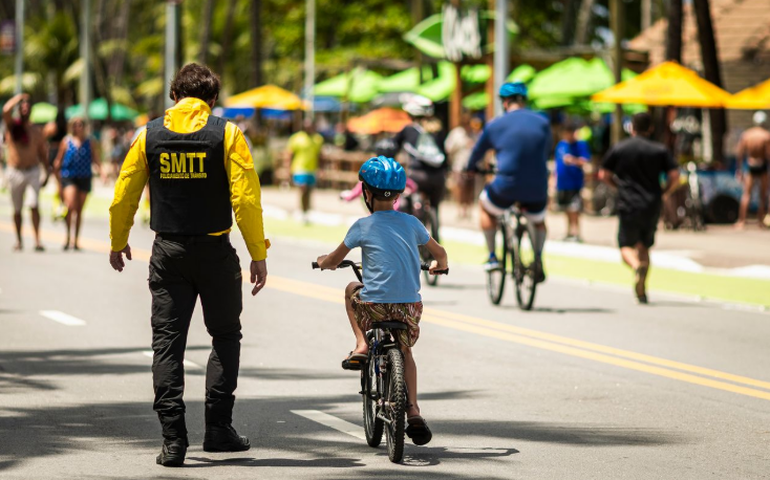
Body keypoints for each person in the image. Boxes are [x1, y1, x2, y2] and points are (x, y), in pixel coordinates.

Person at [108, 63, 269, 467]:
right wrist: (257, 253)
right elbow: (246, 199)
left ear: (174, 96)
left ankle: (173, 441)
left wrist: (118, 240)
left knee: (168, 344)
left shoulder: (148, 135)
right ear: (212, 99)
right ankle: (218, 429)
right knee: (225, 336)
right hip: (216, 252)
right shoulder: (227, 134)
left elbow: (125, 192)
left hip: (168, 254)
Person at [316, 156, 448, 447]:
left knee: (352, 288)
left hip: (374, 308)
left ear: (366, 192)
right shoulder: (412, 223)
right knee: (406, 352)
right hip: (408, 309)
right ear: (398, 194)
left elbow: (335, 259)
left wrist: (324, 261)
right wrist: (439, 265)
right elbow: (440, 253)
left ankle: (361, 344)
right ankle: (413, 410)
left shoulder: (362, 226)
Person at [465, 82, 551, 281]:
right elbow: (546, 150)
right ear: (524, 101)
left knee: (485, 205)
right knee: (538, 220)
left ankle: (492, 256)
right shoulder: (543, 122)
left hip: (506, 187)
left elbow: (477, 153)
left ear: (505, 102)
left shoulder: (495, 125)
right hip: (537, 187)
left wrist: (471, 169)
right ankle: (538, 257)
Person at [599, 112, 679, 304]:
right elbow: (675, 175)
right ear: (650, 128)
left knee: (626, 246)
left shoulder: (620, 147)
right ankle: (642, 291)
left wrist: (618, 186)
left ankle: (636, 267)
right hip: (652, 202)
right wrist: (665, 191)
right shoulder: (659, 149)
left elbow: (603, 174)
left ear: (631, 127)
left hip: (628, 202)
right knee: (644, 246)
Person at [2, 93, 50, 252]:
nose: (25, 110)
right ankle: (19, 240)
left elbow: (42, 152)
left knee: (34, 204)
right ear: (18, 110)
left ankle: (37, 240)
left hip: (32, 171)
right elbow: (5, 110)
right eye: (22, 108)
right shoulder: (12, 126)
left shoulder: (36, 130)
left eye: (27, 108)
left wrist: (47, 171)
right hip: (14, 171)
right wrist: (18, 98)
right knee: (17, 209)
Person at [393, 96, 448, 225]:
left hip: (417, 174)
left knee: (406, 197)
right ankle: (434, 226)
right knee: (434, 205)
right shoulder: (438, 129)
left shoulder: (409, 130)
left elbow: (393, 146)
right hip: (439, 176)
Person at [53, 118, 102, 251]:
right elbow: (59, 160)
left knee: (79, 210)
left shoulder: (90, 142)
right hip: (69, 176)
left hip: (85, 177)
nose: (78, 127)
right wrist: (56, 177)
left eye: (80, 125)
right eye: (75, 125)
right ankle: (67, 237)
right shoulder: (66, 141)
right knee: (70, 206)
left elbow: (96, 158)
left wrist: (102, 172)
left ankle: (75, 240)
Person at [554, 122, 591, 242]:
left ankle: (576, 233)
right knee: (566, 209)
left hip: (574, 183)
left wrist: (573, 160)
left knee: (574, 209)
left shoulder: (581, 144)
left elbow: (585, 160)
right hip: (562, 183)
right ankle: (569, 232)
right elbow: (557, 163)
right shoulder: (561, 145)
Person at [735, 111, 770, 229]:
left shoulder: (747, 135)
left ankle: (741, 221)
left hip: (750, 165)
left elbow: (740, 153)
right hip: (762, 166)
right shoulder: (766, 135)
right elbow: (768, 154)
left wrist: (739, 169)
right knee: (762, 195)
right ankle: (760, 221)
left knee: (746, 194)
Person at [286, 120, 323, 223]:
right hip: (299, 168)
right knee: (303, 188)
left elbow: (319, 155)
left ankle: (306, 211)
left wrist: (320, 169)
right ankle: (302, 210)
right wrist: (288, 168)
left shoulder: (318, 139)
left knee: (309, 191)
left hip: (312, 169)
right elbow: (290, 154)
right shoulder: (296, 138)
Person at [445, 113, 481, 219]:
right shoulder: (456, 133)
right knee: (459, 188)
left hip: (471, 166)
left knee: (470, 189)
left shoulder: (474, 134)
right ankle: (460, 210)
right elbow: (448, 147)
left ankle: (468, 210)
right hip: (458, 165)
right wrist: (462, 145)